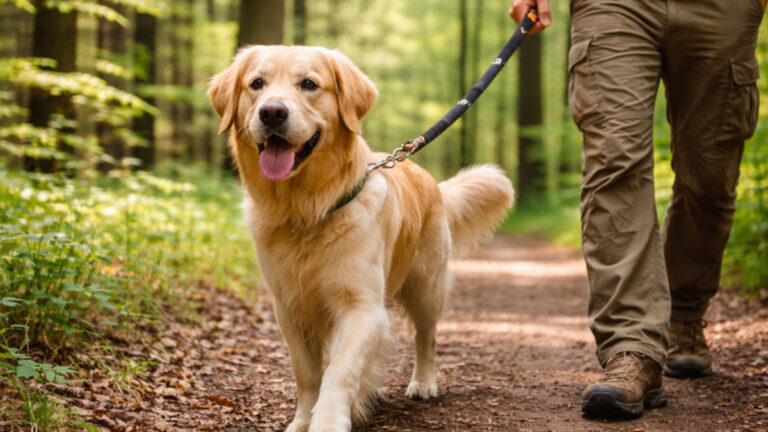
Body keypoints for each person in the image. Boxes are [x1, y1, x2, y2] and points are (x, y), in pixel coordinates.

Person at [510, 0, 765, 420]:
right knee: (615, 162)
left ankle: (684, 314)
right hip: (614, 7)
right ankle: (632, 348)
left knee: (710, 176)